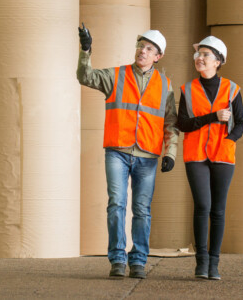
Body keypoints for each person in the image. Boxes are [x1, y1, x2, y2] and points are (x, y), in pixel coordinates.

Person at [77, 24, 179, 279]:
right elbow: (85, 76)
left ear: (158, 56)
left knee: (142, 210)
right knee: (117, 204)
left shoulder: (165, 85)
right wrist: (86, 50)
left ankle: (138, 261)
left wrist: (171, 153)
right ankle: (118, 259)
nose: (142, 51)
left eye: (149, 49)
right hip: (117, 151)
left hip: (147, 155)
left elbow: (170, 123)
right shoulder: (116, 75)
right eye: (140, 46)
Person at [177, 36, 243, 281]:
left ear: (218, 61)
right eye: (198, 54)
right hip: (195, 155)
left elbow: (242, 124)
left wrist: (229, 140)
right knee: (202, 206)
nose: (200, 58)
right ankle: (201, 262)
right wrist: (213, 117)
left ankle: (214, 264)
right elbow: (183, 124)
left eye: (205, 54)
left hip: (223, 156)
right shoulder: (187, 89)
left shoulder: (232, 89)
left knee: (218, 210)